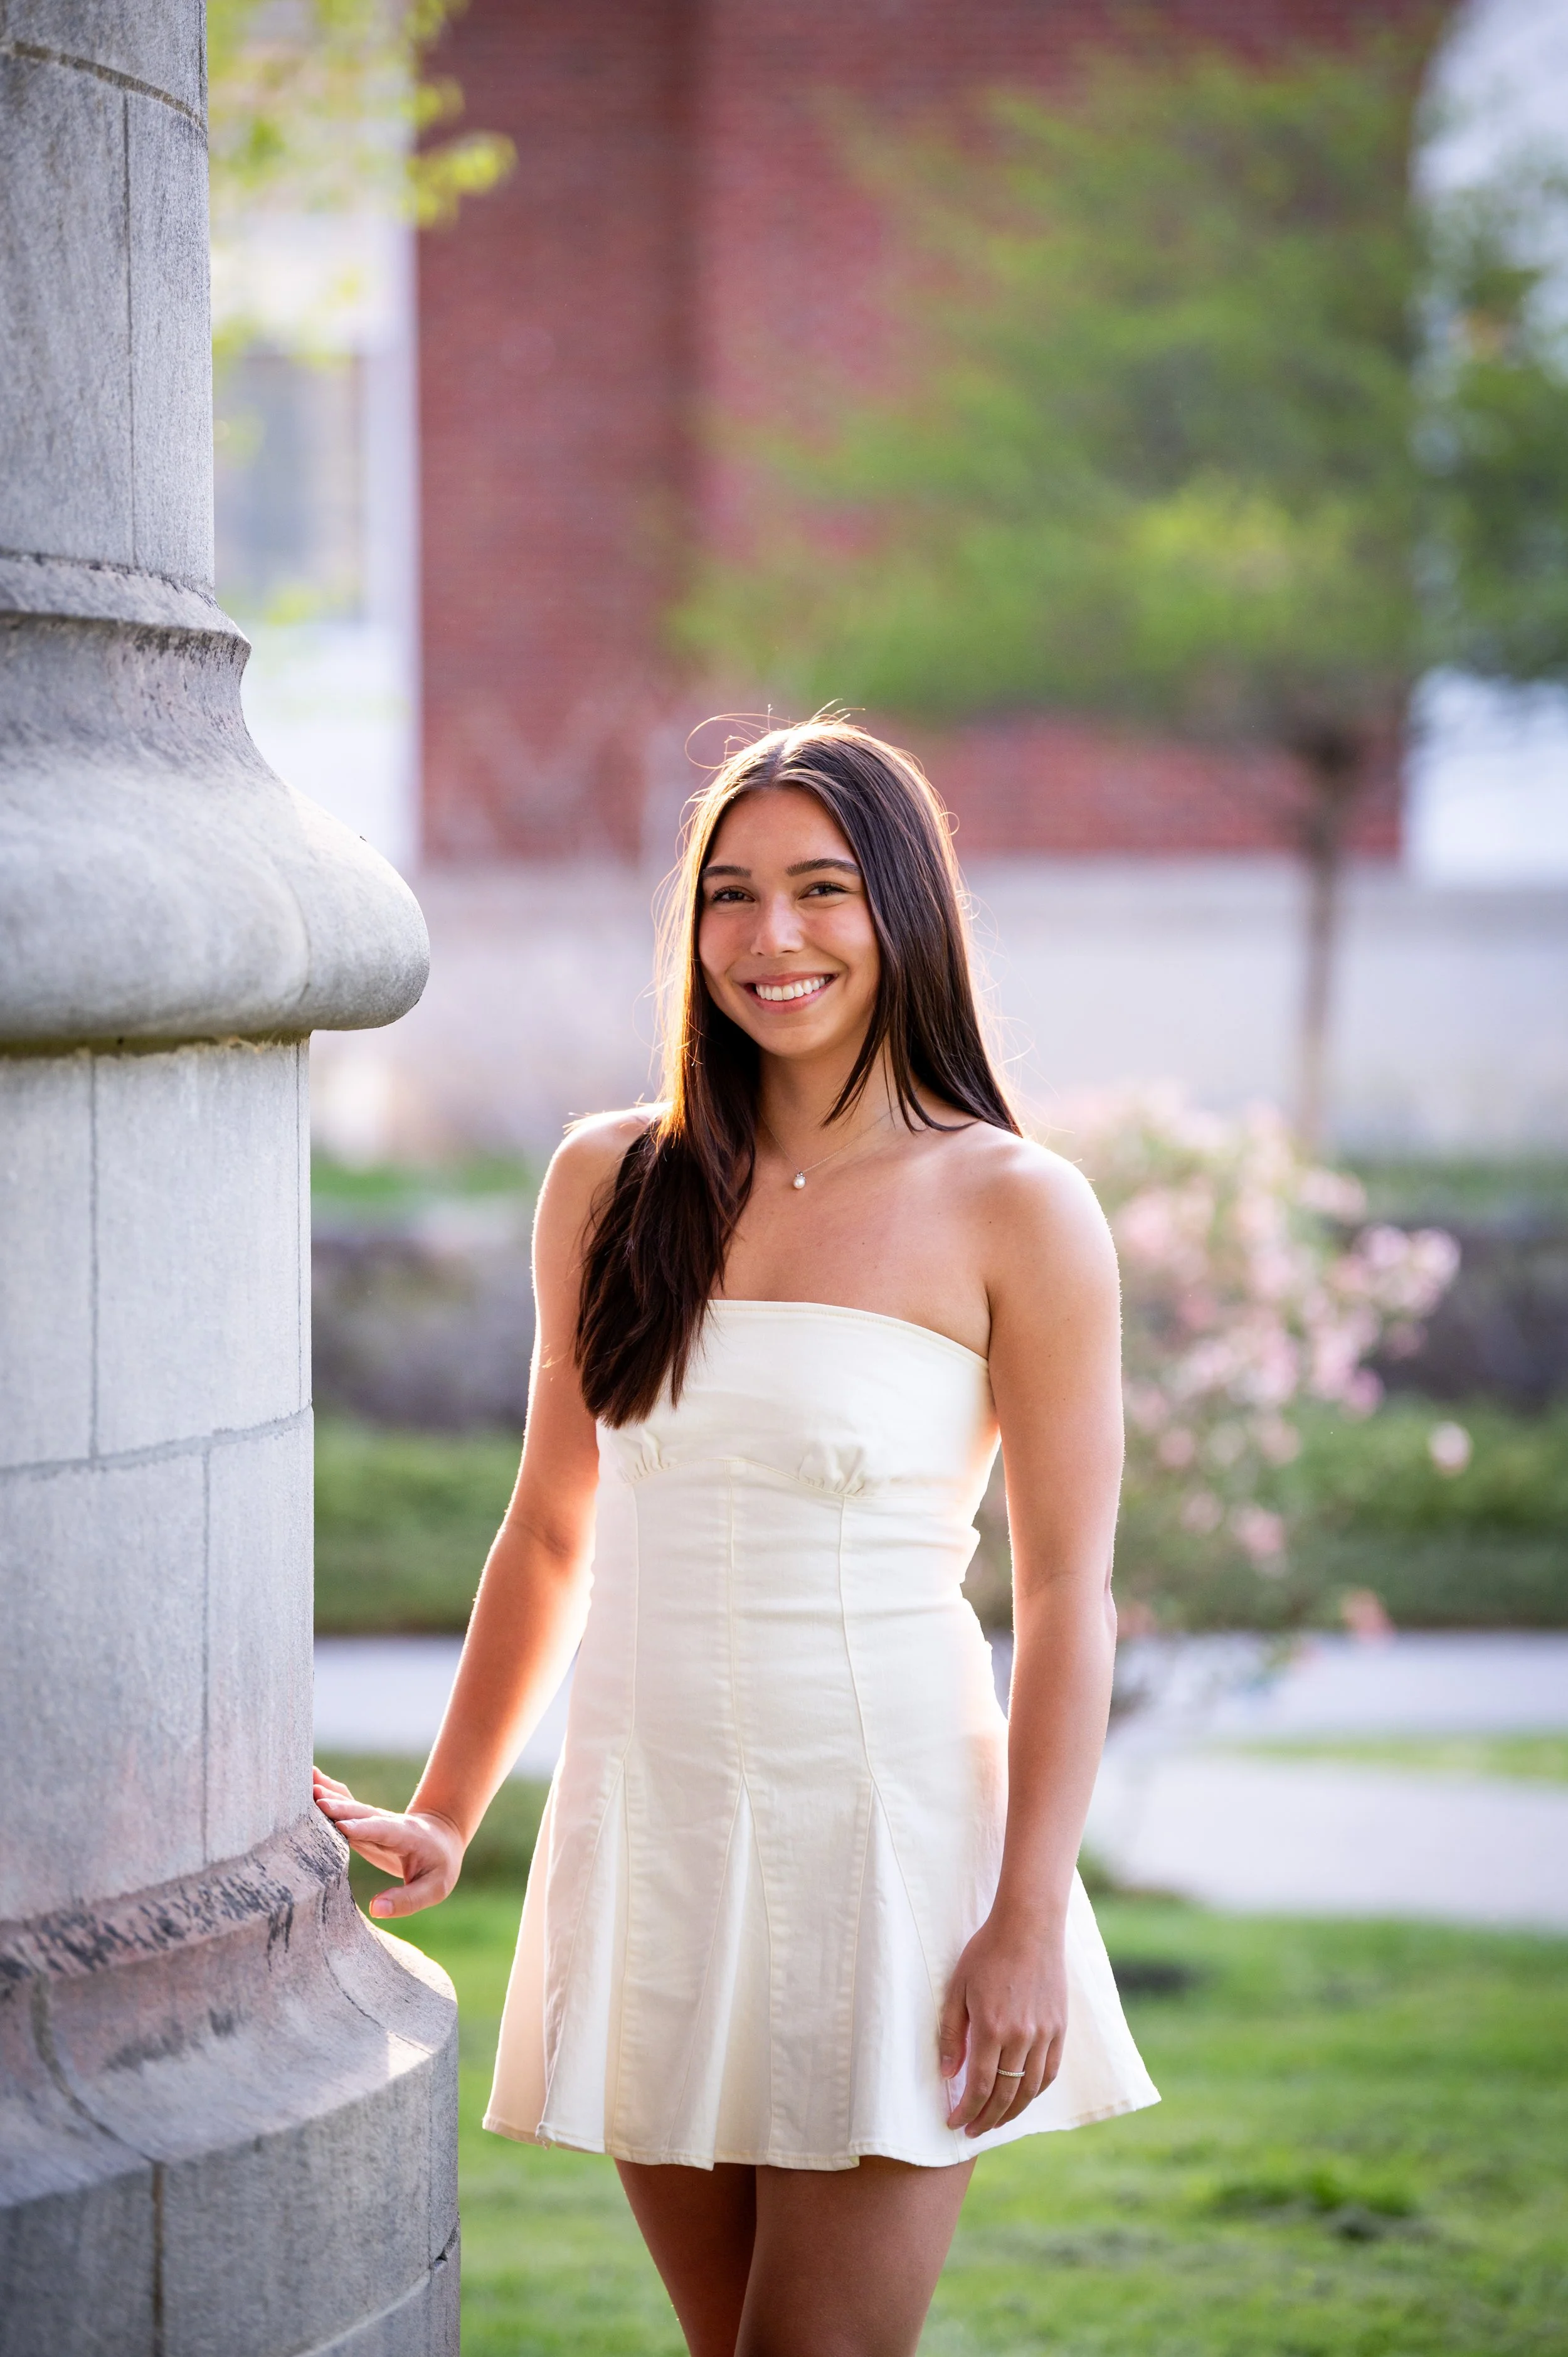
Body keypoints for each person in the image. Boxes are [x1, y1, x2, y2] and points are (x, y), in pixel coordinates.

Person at [314, 720, 1158, 2357]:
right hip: (652, 1840)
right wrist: (448, 1807)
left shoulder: (1015, 1204)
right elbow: (551, 1527)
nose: (773, 938)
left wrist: (1027, 1913)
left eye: (822, 890)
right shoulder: (607, 1178)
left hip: (891, 1849)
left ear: (903, 910)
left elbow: (1065, 1597)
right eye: (732, 893)